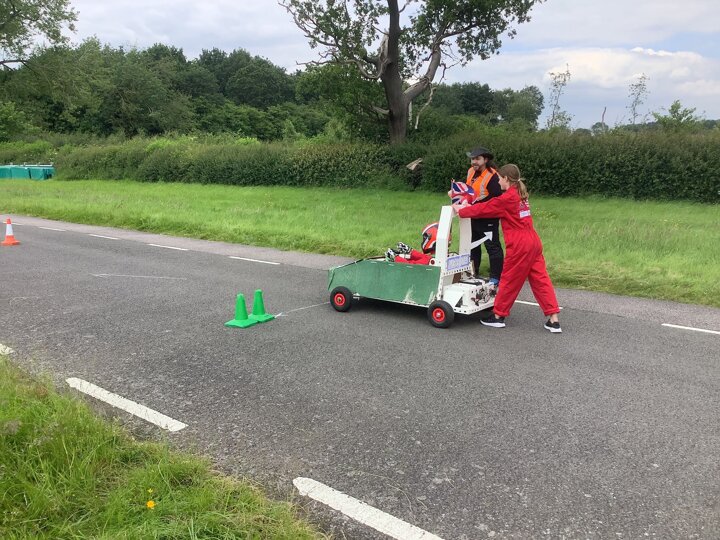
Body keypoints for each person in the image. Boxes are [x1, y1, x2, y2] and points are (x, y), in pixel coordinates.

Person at [452, 164, 562, 333]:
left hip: (519, 245)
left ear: (506, 179)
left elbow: (486, 208)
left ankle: (498, 316)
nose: (498, 182)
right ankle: (553, 320)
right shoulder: (520, 193)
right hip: (533, 242)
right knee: (541, 280)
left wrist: (462, 211)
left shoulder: (507, 198)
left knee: (509, 280)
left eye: (499, 178)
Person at [449, 146, 504, 285]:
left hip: (488, 217)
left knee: (492, 247)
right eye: (472, 159)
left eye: (477, 159)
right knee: (473, 246)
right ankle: (473, 273)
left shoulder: (493, 176)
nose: (474, 162)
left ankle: (496, 278)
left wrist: (475, 204)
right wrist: (457, 194)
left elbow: (496, 198)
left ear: (485, 160)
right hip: (473, 215)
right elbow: (469, 190)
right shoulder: (470, 171)